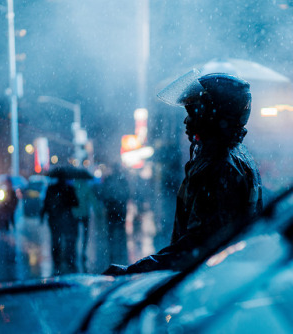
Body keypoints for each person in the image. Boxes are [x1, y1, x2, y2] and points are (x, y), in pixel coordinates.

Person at [104, 70, 263, 275]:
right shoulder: (228, 158)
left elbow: (197, 248)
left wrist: (134, 272)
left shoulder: (221, 168)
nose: (186, 122)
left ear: (214, 115)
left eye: (194, 113)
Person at [40, 174, 79, 274]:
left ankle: (57, 261)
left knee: (55, 239)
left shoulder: (51, 188)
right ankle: (68, 260)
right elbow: (75, 203)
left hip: (54, 218)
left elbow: (46, 203)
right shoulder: (69, 189)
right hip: (65, 218)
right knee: (67, 239)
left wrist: (42, 215)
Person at [100, 163, 130, 265]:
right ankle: (120, 251)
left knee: (112, 230)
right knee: (120, 230)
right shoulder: (122, 180)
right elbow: (127, 193)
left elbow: (103, 193)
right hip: (119, 208)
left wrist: (108, 203)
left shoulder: (109, 179)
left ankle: (113, 251)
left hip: (112, 208)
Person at [72, 178, 100, 272]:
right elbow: (92, 200)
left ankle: (75, 251)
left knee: (75, 234)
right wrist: (98, 211)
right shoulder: (86, 187)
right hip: (84, 214)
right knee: (85, 234)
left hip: (75, 214)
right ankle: (83, 251)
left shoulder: (73, 187)